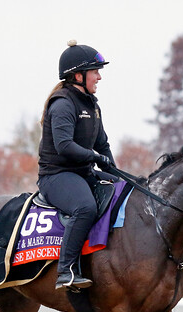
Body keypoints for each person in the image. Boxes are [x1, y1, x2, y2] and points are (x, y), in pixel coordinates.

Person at [37, 40, 116, 291]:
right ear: (78, 75)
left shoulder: (92, 106)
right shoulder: (62, 104)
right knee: (85, 207)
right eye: (95, 71)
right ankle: (66, 271)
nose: (99, 77)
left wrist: (117, 173)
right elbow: (64, 146)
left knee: (124, 192)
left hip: (82, 173)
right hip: (56, 176)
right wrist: (95, 159)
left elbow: (102, 145)